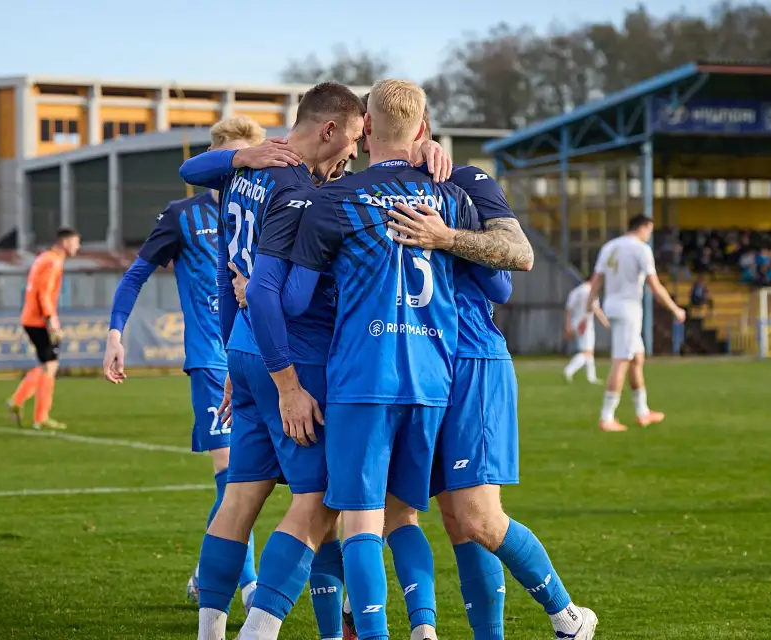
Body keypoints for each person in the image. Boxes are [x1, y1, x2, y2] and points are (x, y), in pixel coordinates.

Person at [278, 78, 511, 640]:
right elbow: (499, 284)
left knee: (360, 520)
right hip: (433, 381)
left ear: (367, 127)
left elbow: (295, 300)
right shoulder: (452, 196)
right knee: (405, 515)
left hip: (364, 375)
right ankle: (426, 629)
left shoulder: (336, 200)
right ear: (423, 129)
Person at [381, 109, 598, 640]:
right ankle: (428, 629)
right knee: (414, 515)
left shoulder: (461, 178)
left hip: (471, 362)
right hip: (409, 368)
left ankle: (567, 617)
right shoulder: (357, 189)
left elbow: (510, 270)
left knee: (476, 518)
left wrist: (447, 236)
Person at [183, 82, 365, 640]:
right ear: (328, 129)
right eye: (354, 138)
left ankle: (210, 630)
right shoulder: (295, 189)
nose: (354, 152)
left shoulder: (245, 174)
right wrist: (286, 383)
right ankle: (258, 631)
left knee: (241, 495)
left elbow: (223, 272)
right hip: (293, 354)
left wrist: (236, 353)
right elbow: (266, 294)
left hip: (245, 349)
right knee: (318, 501)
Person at [101, 117, 300, 611]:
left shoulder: (273, 209)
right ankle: (249, 585)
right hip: (213, 364)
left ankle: (209, 569)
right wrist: (115, 333)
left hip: (269, 359)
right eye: (232, 163)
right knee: (233, 477)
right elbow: (136, 275)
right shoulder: (182, 215)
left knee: (270, 483)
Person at [587, 215, 686, 432]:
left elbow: (596, 279)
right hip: (628, 309)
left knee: (636, 358)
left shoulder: (610, 247)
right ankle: (606, 417)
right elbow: (654, 285)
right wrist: (674, 308)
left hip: (613, 305)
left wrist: (590, 304)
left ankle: (642, 412)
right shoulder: (640, 249)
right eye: (650, 230)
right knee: (622, 360)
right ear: (644, 228)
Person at [6, 226, 81, 430]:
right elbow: (43, 294)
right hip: (38, 319)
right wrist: (51, 322)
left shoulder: (44, 258)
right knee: (50, 365)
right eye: (76, 242)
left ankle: (19, 403)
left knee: (47, 365)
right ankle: (38, 416)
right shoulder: (53, 261)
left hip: (32, 317)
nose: (78, 246)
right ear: (65, 243)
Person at [564, 278, 609, 384]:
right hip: (585, 323)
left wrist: (568, 325)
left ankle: (591, 377)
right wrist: (605, 321)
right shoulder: (590, 291)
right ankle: (569, 370)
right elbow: (595, 309)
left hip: (577, 322)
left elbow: (568, 308)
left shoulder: (576, 291)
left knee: (589, 351)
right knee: (586, 352)